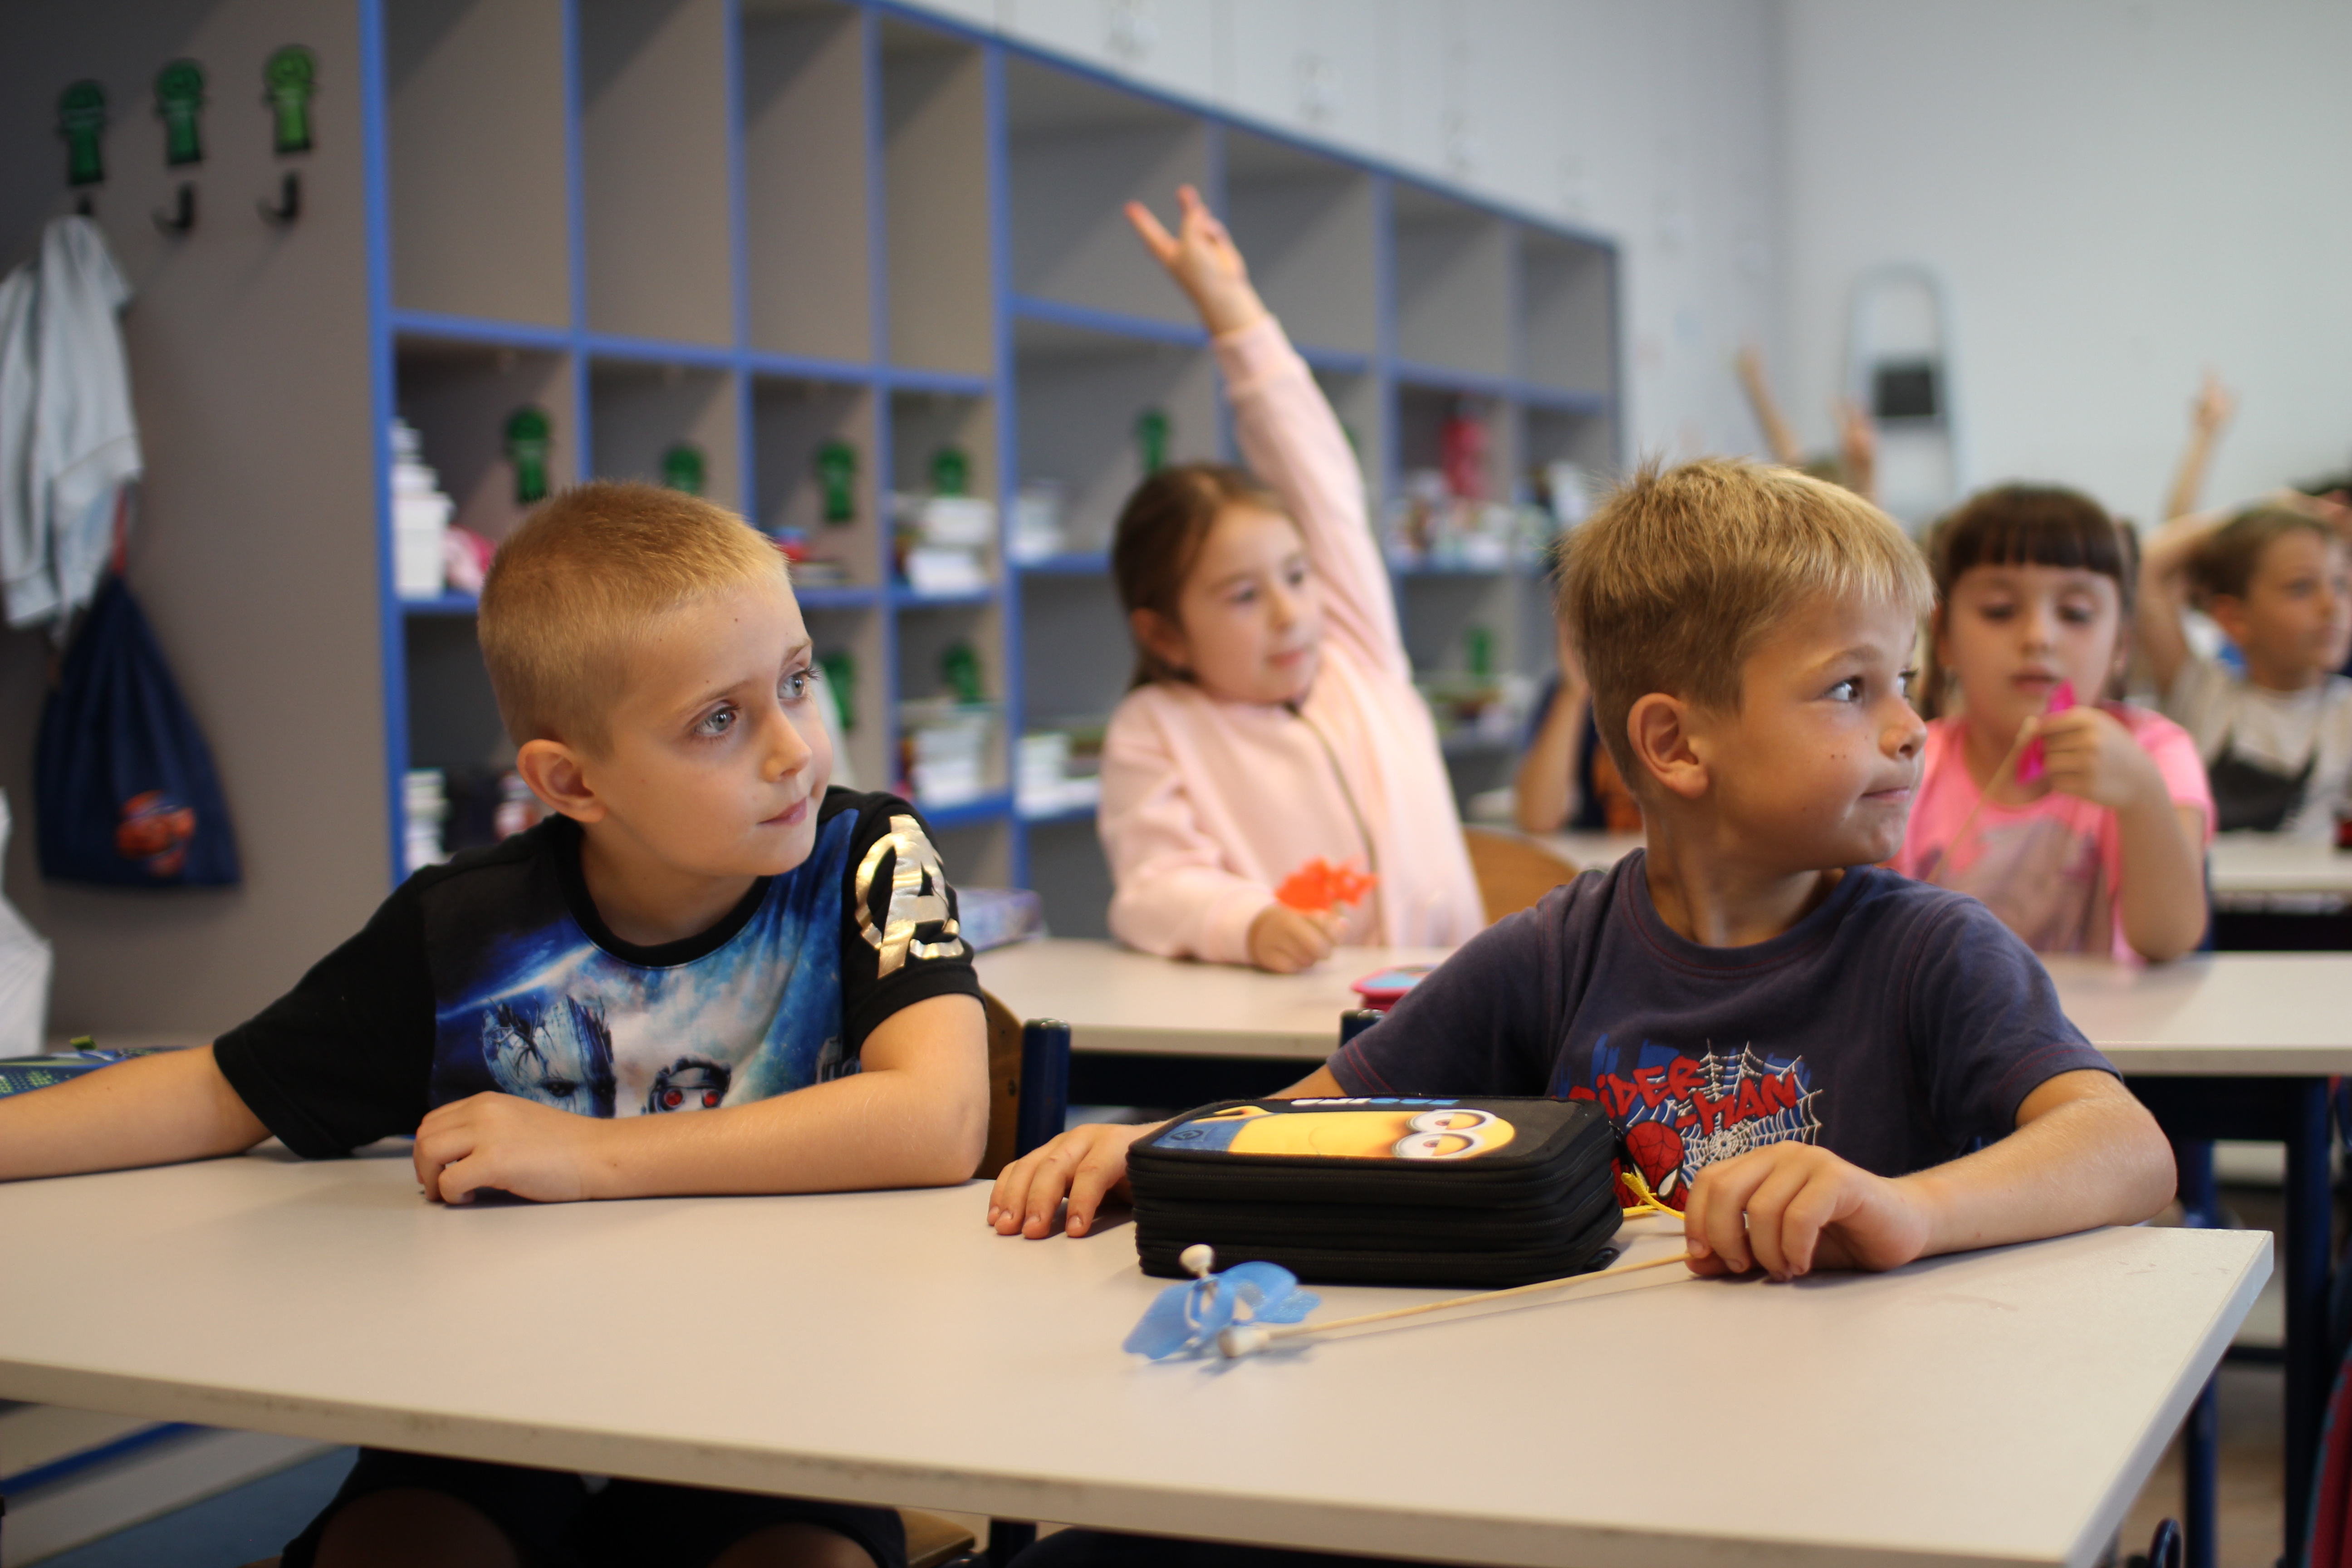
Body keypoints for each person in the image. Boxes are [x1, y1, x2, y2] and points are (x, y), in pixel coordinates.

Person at [0, 482, 990, 1568]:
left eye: (796, 680)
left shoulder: (871, 855)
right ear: (572, 781)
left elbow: (936, 1117)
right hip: (492, 1413)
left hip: (782, 1408)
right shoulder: (461, 931)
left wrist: (589, 1156)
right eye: (720, 718)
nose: (793, 749)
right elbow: (218, 1090)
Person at [992, 456, 2171, 1269]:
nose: (1911, 729)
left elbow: (2127, 1149)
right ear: (1676, 744)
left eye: (1905, 682)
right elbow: (1315, 1119)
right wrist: (1163, 1146)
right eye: (1852, 689)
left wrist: (1911, 1210)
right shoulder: (1554, 956)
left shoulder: (1932, 951)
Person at [1098, 187, 1482, 973]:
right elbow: (1154, 884)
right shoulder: (1154, 728)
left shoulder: (1356, 655)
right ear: (1163, 633)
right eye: (1243, 596)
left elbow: (1321, 482)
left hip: (1459, 1010)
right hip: (1306, 1027)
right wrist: (1247, 921)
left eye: (1298, 576)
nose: (1289, 613)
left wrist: (1233, 310)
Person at [1891, 486, 2210, 962]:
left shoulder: (2156, 753)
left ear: (2121, 645)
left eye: (2075, 614)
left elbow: (2168, 940)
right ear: (1944, 636)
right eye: (2000, 610)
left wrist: (2143, 794)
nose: (2039, 637)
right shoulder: (1906, 763)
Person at [2139, 495, 2352, 835]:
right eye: (2301, 587)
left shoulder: (2345, 717)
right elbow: (2144, 566)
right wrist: (2268, 507)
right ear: (2233, 618)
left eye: (2340, 584)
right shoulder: (2201, 693)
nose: (2332, 606)